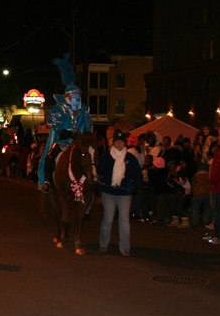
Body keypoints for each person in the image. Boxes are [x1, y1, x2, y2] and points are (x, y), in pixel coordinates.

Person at [38, 54, 93, 192]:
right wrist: (66, 133)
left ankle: (94, 180)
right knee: (50, 156)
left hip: (80, 141)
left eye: (78, 95)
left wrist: (85, 134)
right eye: (75, 95)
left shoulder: (83, 109)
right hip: (63, 141)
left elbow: (87, 124)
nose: (77, 97)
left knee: (93, 156)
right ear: (68, 96)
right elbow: (52, 125)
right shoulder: (58, 108)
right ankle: (47, 182)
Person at [97, 129, 143, 257]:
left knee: (124, 221)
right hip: (109, 193)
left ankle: (125, 247)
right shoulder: (105, 157)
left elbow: (138, 175)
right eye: (117, 142)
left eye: (121, 142)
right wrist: (99, 183)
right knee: (108, 219)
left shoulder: (130, 158)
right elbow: (98, 172)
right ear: (113, 142)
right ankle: (103, 243)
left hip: (124, 194)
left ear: (125, 143)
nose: (119, 145)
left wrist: (135, 186)